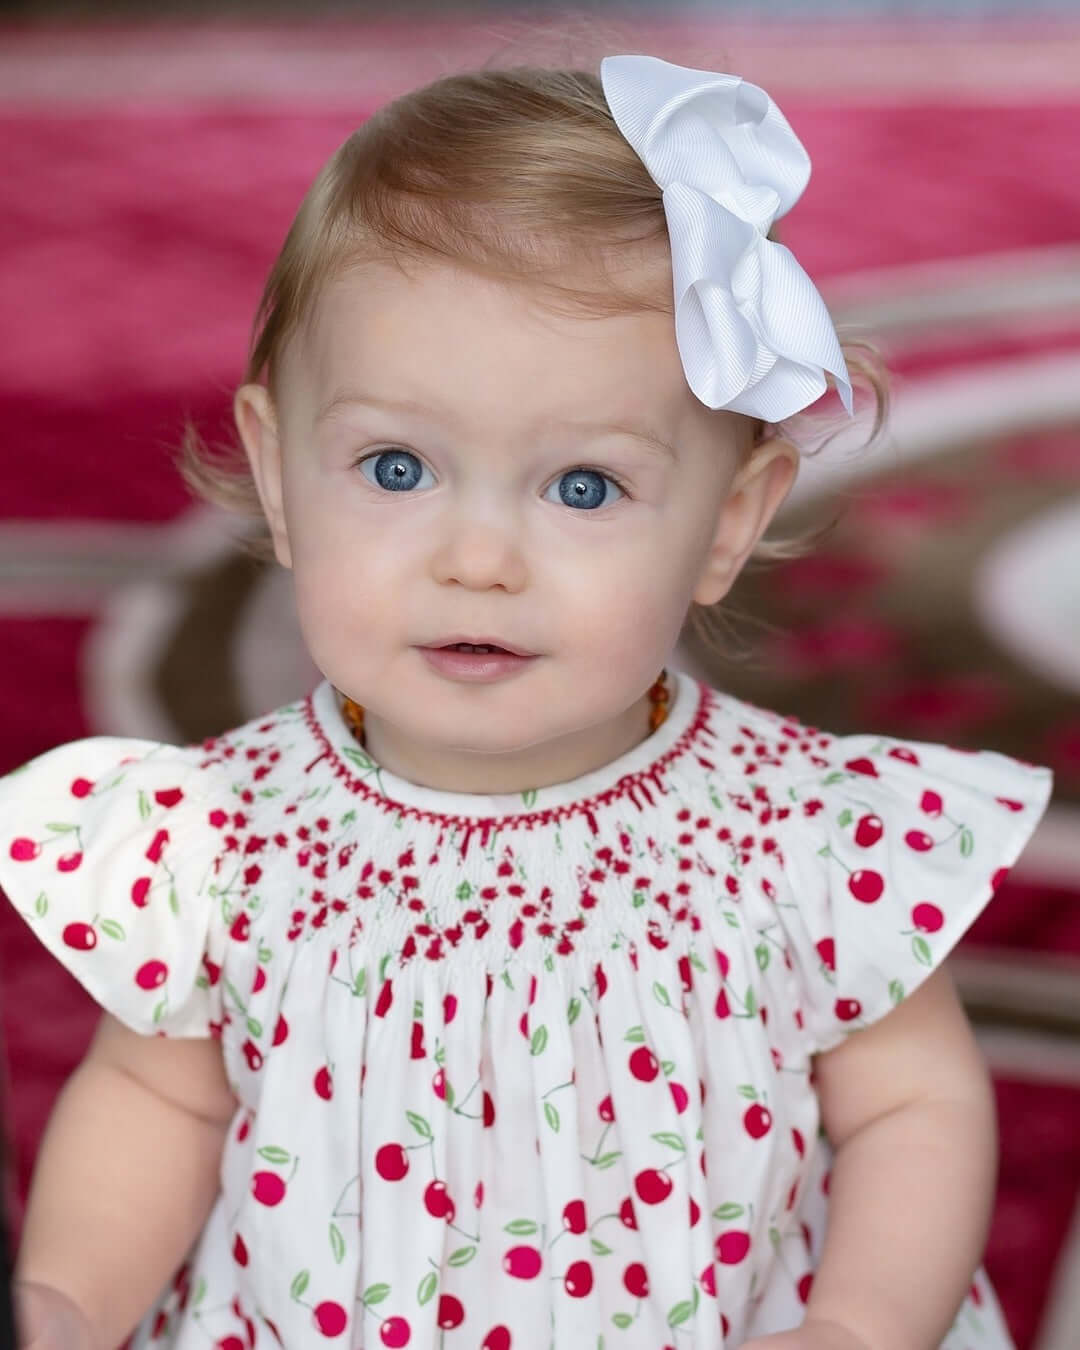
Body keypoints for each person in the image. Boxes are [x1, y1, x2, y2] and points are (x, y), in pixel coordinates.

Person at [0, 53, 1052, 1350]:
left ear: (727, 523)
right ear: (279, 476)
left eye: (582, 488)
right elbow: (157, 1100)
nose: (479, 558)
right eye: (397, 467)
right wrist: (67, 1300)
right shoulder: (217, 835)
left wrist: (861, 1324)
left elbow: (912, 1107)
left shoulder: (801, 831)